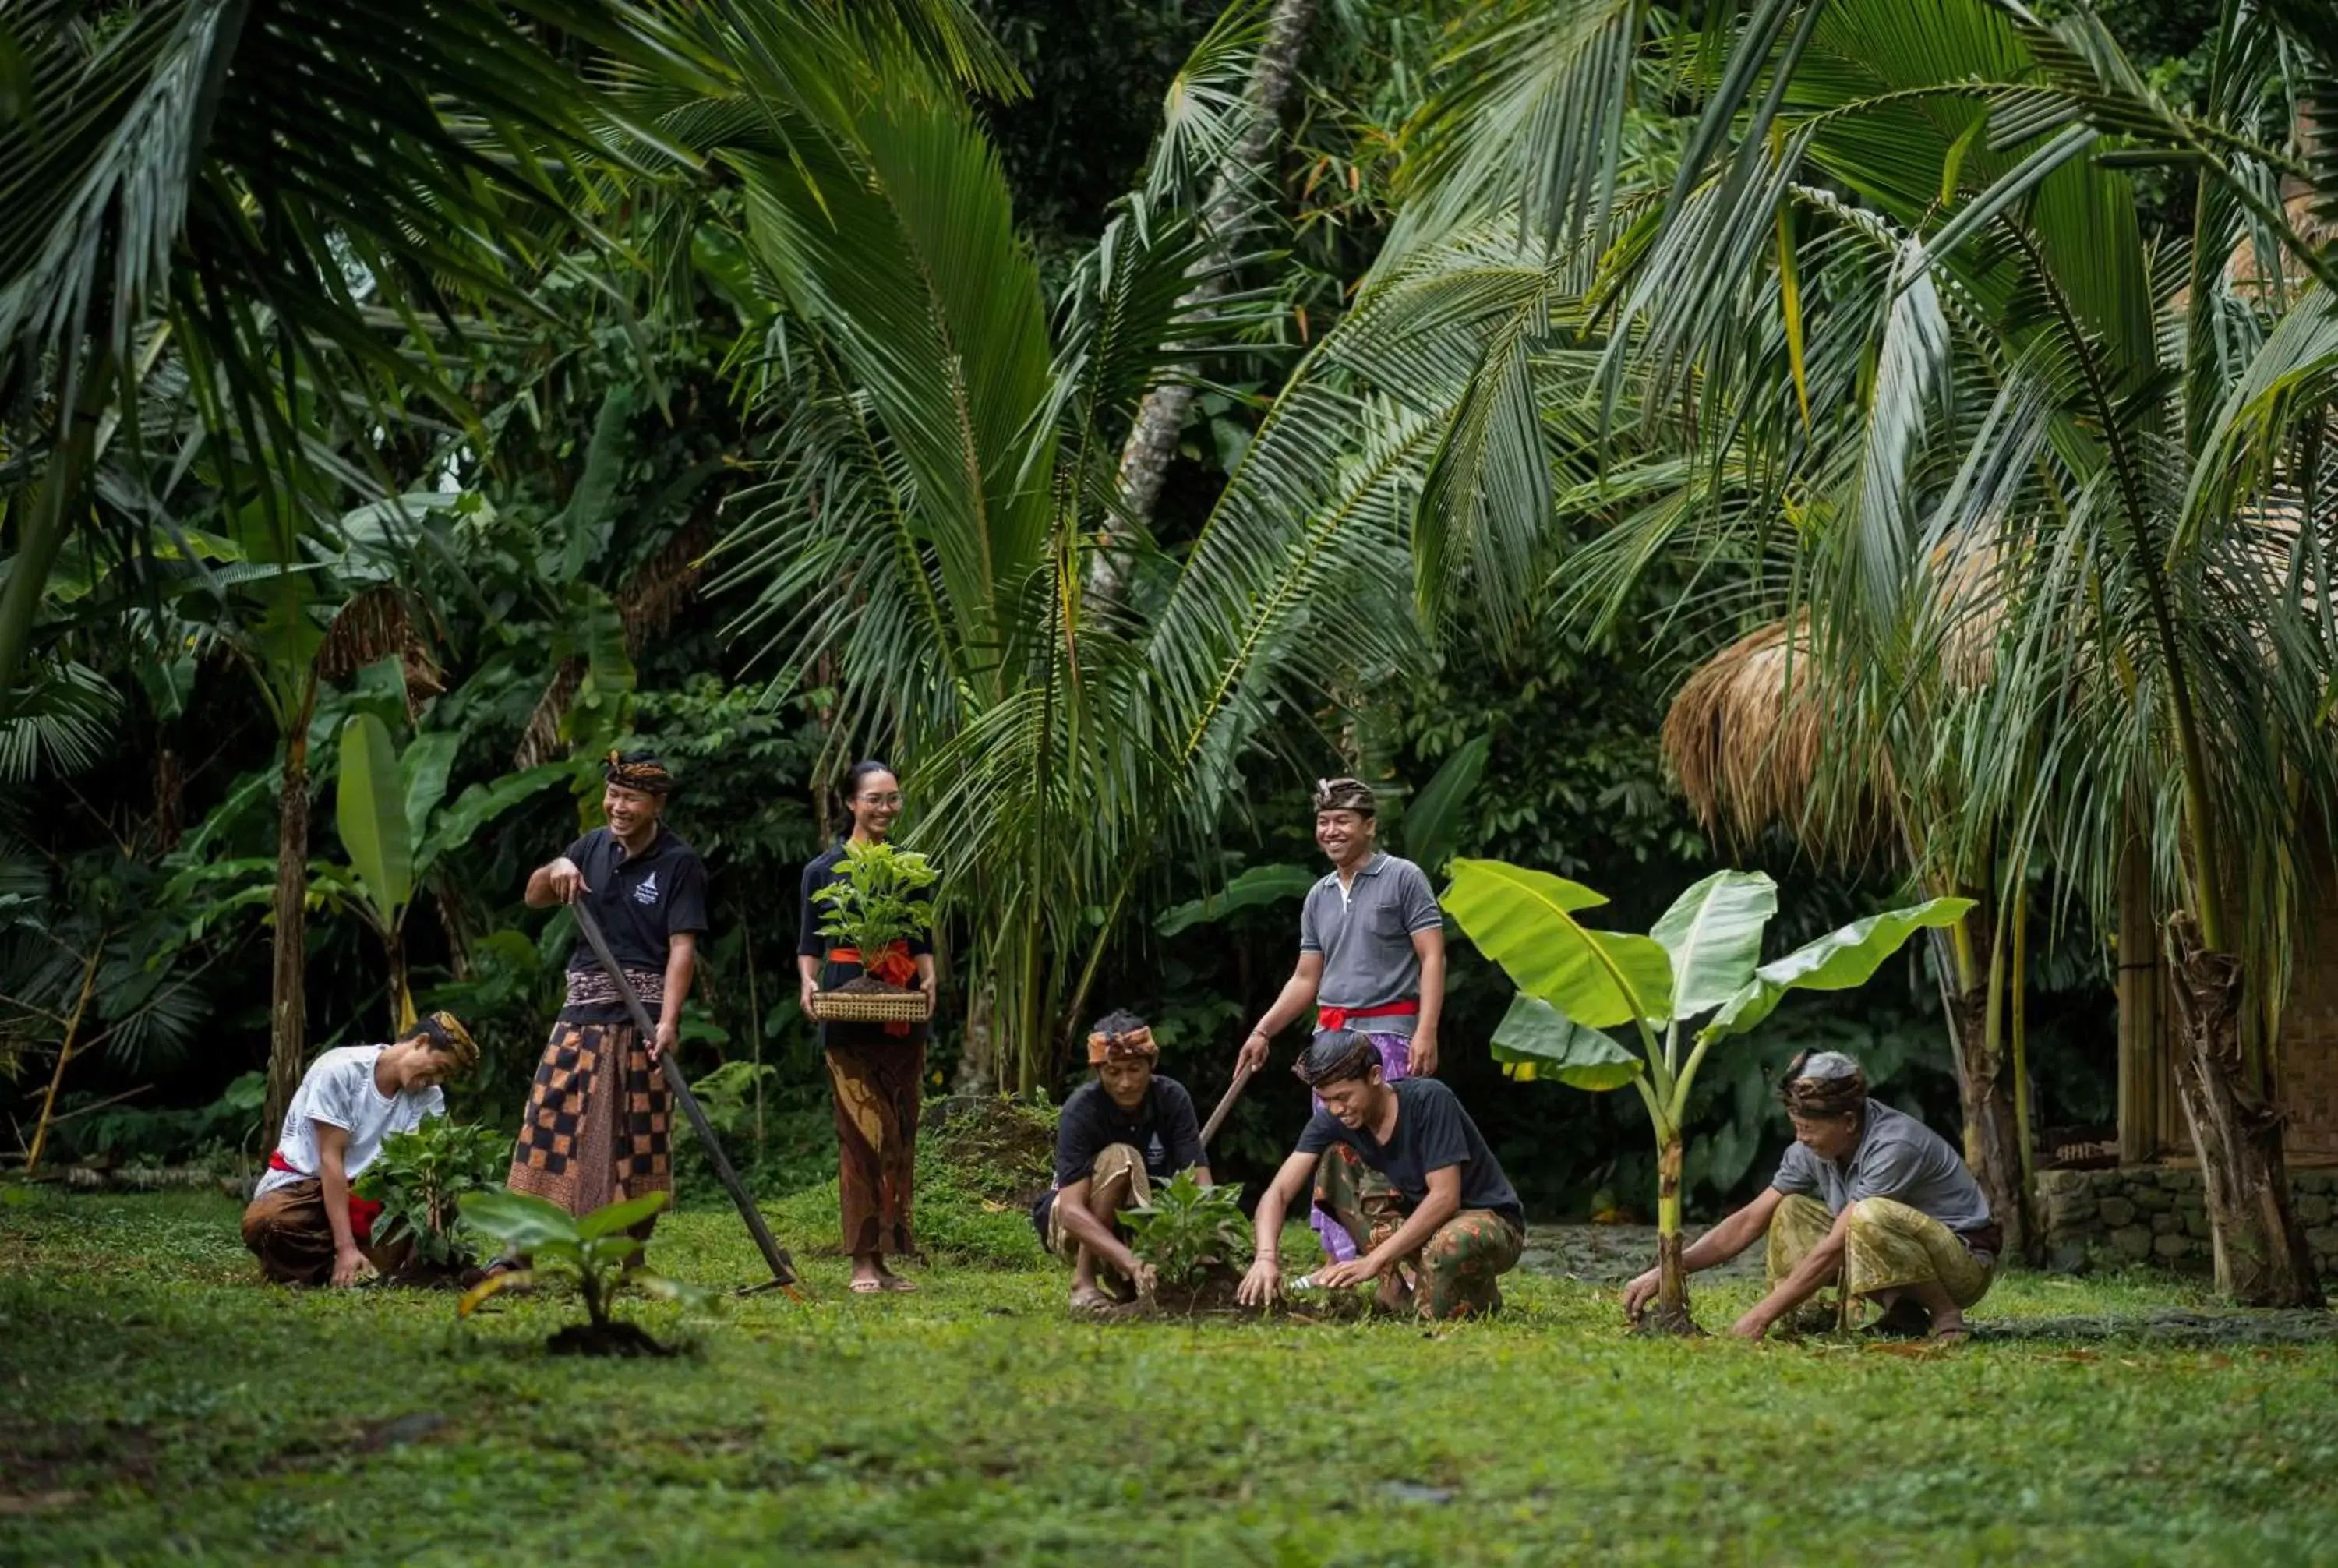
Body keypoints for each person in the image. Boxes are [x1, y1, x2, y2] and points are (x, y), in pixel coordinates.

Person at [1621, 1051, 2001, 1343]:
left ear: (1849, 1122)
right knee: (1789, 1209)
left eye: (1807, 1128)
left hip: (1962, 1264)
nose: (1800, 1137)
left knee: (1865, 1216)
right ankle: (1901, 1312)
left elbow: (1838, 1244)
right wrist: (1670, 1268)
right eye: (1796, 1126)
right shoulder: (1812, 1149)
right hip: (1904, 1253)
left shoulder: (1895, 1144)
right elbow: (1750, 1220)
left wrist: (1758, 1317)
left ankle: (1947, 1317)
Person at [1233, 775, 1447, 1261]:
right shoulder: (1319, 895)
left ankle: (1403, 1262)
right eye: (1323, 822)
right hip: (1329, 1041)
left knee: (1391, 1146)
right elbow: (1306, 978)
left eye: (1342, 821)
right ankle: (1341, 1264)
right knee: (1334, 1148)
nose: (1330, 831)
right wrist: (1263, 1030)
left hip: (1389, 1034)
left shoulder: (1403, 877)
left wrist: (1427, 1029)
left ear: (1369, 826)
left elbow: (1432, 957)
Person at [505, 750, 707, 1245]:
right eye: (613, 795)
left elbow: (683, 948)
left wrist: (670, 1021)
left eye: (630, 799)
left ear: (657, 804)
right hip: (582, 1015)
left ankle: (632, 1260)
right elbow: (534, 896)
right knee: (547, 1123)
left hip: (644, 1019)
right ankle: (518, 1255)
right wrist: (557, 866)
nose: (617, 807)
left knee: (640, 1137)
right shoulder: (589, 847)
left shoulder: (680, 863)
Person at [1236, 1030, 1524, 1320]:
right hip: (1421, 1229)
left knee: (1446, 1264)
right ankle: (1394, 1289)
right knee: (1335, 1158)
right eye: (1326, 1100)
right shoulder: (1332, 1119)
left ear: (1375, 1076)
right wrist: (1265, 1258)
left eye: (1343, 1097)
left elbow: (1445, 1198)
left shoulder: (1430, 1100)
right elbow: (1278, 1192)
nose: (1336, 1109)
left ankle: (1479, 1291)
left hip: (1486, 1223)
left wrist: (1373, 1260)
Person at [798, 760, 938, 1294]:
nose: (886, 808)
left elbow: (921, 939)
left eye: (894, 799)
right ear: (852, 803)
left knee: (901, 1133)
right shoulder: (823, 869)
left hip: (900, 1002)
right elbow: (810, 944)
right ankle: (860, 1260)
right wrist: (809, 985)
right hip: (846, 997)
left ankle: (888, 1258)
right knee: (858, 1135)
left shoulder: (909, 868)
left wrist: (929, 981)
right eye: (875, 799)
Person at [242, 1012, 479, 1286]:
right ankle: (346, 1261)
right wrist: (345, 1247)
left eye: (445, 1077)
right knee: (266, 1224)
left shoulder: (430, 1099)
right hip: (306, 1189)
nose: (435, 1080)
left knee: (441, 1194)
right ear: (420, 1041)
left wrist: (429, 1240)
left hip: (373, 1201)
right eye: (439, 1068)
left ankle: (317, 1268)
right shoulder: (340, 1070)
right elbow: (331, 1158)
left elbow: (426, 1171)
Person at [1033, 1010, 1210, 1312]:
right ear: (1098, 1072)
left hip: (1141, 1215)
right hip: (1070, 1222)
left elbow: (1200, 1181)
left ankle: (1127, 1286)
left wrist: (1207, 1238)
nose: (1126, 1083)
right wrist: (1131, 1260)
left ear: (1151, 1065)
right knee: (1122, 1157)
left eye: (1135, 1069)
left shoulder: (1172, 1098)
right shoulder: (1081, 1109)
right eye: (1113, 1072)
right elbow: (1072, 1212)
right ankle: (1083, 1283)